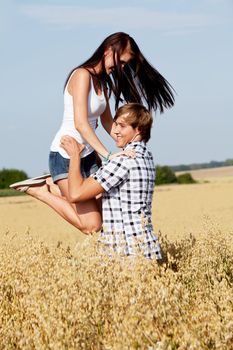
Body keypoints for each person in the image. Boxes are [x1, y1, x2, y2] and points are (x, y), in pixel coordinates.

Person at [10, 32, 175, 235]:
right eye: (121, 62)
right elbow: (80, 123)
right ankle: (41, 190)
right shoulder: (81, 75)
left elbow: (107, 121)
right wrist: (109, 155)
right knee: (92, 226)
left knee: (104, 217)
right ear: (107, 50)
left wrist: (127, 142)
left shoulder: (101, 82)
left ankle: (55, 186)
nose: (121, 68)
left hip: (89, 155)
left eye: (125, 65)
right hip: (66, 154)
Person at [12, 103, 161, 259]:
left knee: (90, 224)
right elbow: (111, 186)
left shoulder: (123, 161)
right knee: (93, 214)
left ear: (139, 130)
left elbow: (76, 194)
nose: (115, 130)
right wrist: (89, 141)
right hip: (148, 249)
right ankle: (49, 186)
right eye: (115, 124)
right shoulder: (146, 156)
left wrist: (75, 155)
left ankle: (43, 190)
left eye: (122, 126)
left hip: (126, 254)